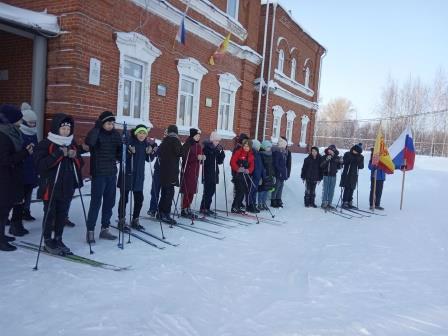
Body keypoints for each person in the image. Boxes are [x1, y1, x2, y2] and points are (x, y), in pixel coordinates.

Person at [34, 113, 83, 254]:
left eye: (68, 129)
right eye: (63, 129)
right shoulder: (46, 144)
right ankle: (48, 240)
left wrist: (74, 156)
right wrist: (58, 154)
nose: (66, 132)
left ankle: (59, 238)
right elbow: (40, 165)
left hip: (66, 186)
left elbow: (79, 164)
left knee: (62, 215)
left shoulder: (71, 144)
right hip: (50, 187)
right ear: (56, 128)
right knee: (50, 214)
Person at [84, 111, 122, 243]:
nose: (111, 125)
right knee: (96, 202)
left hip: (111, 173)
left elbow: (119, 153)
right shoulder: (96, 133)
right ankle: (90, 230)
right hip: (99, 173)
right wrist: (97, 127)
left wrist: (124, 148)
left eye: (112, 123)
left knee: (109, 202)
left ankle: (105, 229)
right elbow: (89, 142)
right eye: (108, 123)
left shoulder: (116, 135)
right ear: (102, 123)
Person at [0, 105, 33, 251]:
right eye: (19, 119)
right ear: (11, 119)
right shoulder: (3, 135)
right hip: (4, 178)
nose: (21, 122)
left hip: (10, 177)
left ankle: (2, 235)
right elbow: (5, 160)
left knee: (5, 209)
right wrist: (25, 153)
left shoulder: (12, 132)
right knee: (2, 210)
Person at [9, 103, 38, 237]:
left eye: (34, 123)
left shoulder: (33, 134)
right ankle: (15, 224)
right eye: (30, 123)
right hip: (20, 170)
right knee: (17, 199)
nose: (33, 125)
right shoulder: (19, 133)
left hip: (30, 169)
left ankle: (21, 218)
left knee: (25, 197)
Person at [117, 125, 153, 231]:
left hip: (139, 176)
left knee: (139, 199)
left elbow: (148, 159)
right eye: (140, 133)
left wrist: (150, 152)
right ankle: (121, 220)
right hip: (127, 174)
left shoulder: (145, 144)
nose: (142, 135)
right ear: (136, 133)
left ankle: (135, 220)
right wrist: (129, 152)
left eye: (144, 133)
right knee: (124, 199)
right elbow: (120, 157)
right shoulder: (129, 141)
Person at [158, 125, 183, 224]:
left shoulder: (164, 141)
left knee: (164, 192)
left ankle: (160, 212)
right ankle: (166, 213)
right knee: (170, 193)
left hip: (163, 171)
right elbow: (179, 153)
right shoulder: (175, 140)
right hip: (171, 171)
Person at [180, 128, 204, 219]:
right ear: (192, 136)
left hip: (195, 171)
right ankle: (184, 208)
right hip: (188, 171)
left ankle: (188, 207)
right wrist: (196, 158)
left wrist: (202, 158)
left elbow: (200, 158)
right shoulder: (188, 144)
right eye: (197, 136)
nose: (198, 137)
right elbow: (185, 158)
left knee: (192, 190)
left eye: (199, 136)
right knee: (187, 190)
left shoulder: (198, 146)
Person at [200, 131, 225, 216]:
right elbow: (205, 161)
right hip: (207, 173)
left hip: (214, 173)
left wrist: (222, 154)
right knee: (207, 191)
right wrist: (214, 152)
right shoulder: (206, 148)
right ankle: (203, 207)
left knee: (212, 191)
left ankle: (207, 207)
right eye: (216, 141)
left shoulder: (216, 149)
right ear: (212, 140)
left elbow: (219, 161)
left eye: (218, 141)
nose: (217, 142)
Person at [230, 139, 254, 213]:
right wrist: (238, 168)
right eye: (245, 146)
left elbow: (252, 166)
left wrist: (249, 170)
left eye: (248, 146)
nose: (246, 148)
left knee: (243, 191)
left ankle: (238, 205)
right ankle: (234, 207)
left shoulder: (251, 155)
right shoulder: (238, 152)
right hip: (238, 175)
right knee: (239, 191)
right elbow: (232, 162)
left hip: (246, 176)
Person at [340, 143, 364, 209]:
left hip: (354, 175)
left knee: (352, 188)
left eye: (356, 151)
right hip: (347, 174)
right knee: (347, 188)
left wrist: (359, 161)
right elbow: (344, 162)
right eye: (354, 150)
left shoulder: (360, 156)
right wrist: (351, 159)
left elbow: (361, 166)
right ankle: (345, 202)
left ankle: (350, 202)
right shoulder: (347, 154)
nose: (354, 151)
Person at [320, 144, 342, 209]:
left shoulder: (336, 157)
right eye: (329, 150)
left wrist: (341, 162)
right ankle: (324, 203)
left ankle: (329, 203)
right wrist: (326, 160)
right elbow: (321, 166)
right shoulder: (324, 157)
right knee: (325, 189)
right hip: (326, 175)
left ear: (334, 151)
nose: (330, 151)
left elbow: (339, 167)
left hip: (333, 175)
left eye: (332, 150)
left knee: (331, 190)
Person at [271, 137, 289, 208]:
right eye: (284, 145)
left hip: (282, 173)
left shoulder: (284, 152)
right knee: (276, 187)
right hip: (278, 173)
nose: (285, 146)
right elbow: (276, 164)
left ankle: (278, 199)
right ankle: (273, 200)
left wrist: (285, 172)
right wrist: (281, 171)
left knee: (281, 187)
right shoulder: (277, 152)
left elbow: (285, 164)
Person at [258, 140, 275, 211]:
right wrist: (261, 177)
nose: (269, 148)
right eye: (268, 147)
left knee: (266, 190)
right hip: (263, 176)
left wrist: (273, 175)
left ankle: (264, 203)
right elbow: (260, 166)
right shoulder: (261, 154)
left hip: (269, 175)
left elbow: (271, 166)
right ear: (264, 147)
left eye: (270, 147)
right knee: (261, 190)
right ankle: (259, 204)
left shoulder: (270, 154)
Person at [247, 139, 263, 213]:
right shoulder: (252, 153)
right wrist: (253, 174)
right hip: (253, 176)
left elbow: (261, 166)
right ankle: (250, 205)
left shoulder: (258, 154)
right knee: (251, 191)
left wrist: (262, 176)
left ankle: (253, 204)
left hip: (257, 176)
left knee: (254, 191)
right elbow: (252, 165)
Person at [147, 136, 160, 217]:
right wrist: (153, 146)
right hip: (158, 171)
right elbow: (153, 155)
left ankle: (160, 210)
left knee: (164, 192)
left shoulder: (172, 143)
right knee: (155, 191)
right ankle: (152, 209)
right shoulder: (160, 145)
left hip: (167, 172)